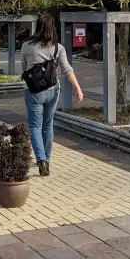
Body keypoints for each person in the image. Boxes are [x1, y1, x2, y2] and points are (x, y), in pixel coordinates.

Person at [21, 14, 83, 177]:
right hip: (53, 90)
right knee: (48, 125)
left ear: (38, 26)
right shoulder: (58, 47)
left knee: (35, 126)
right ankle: (46, 160)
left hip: (34, 92)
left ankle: (40, 159)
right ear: (52, 28)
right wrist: (78, 88)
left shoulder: (27, 45)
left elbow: (24, 68)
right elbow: (67, 70)